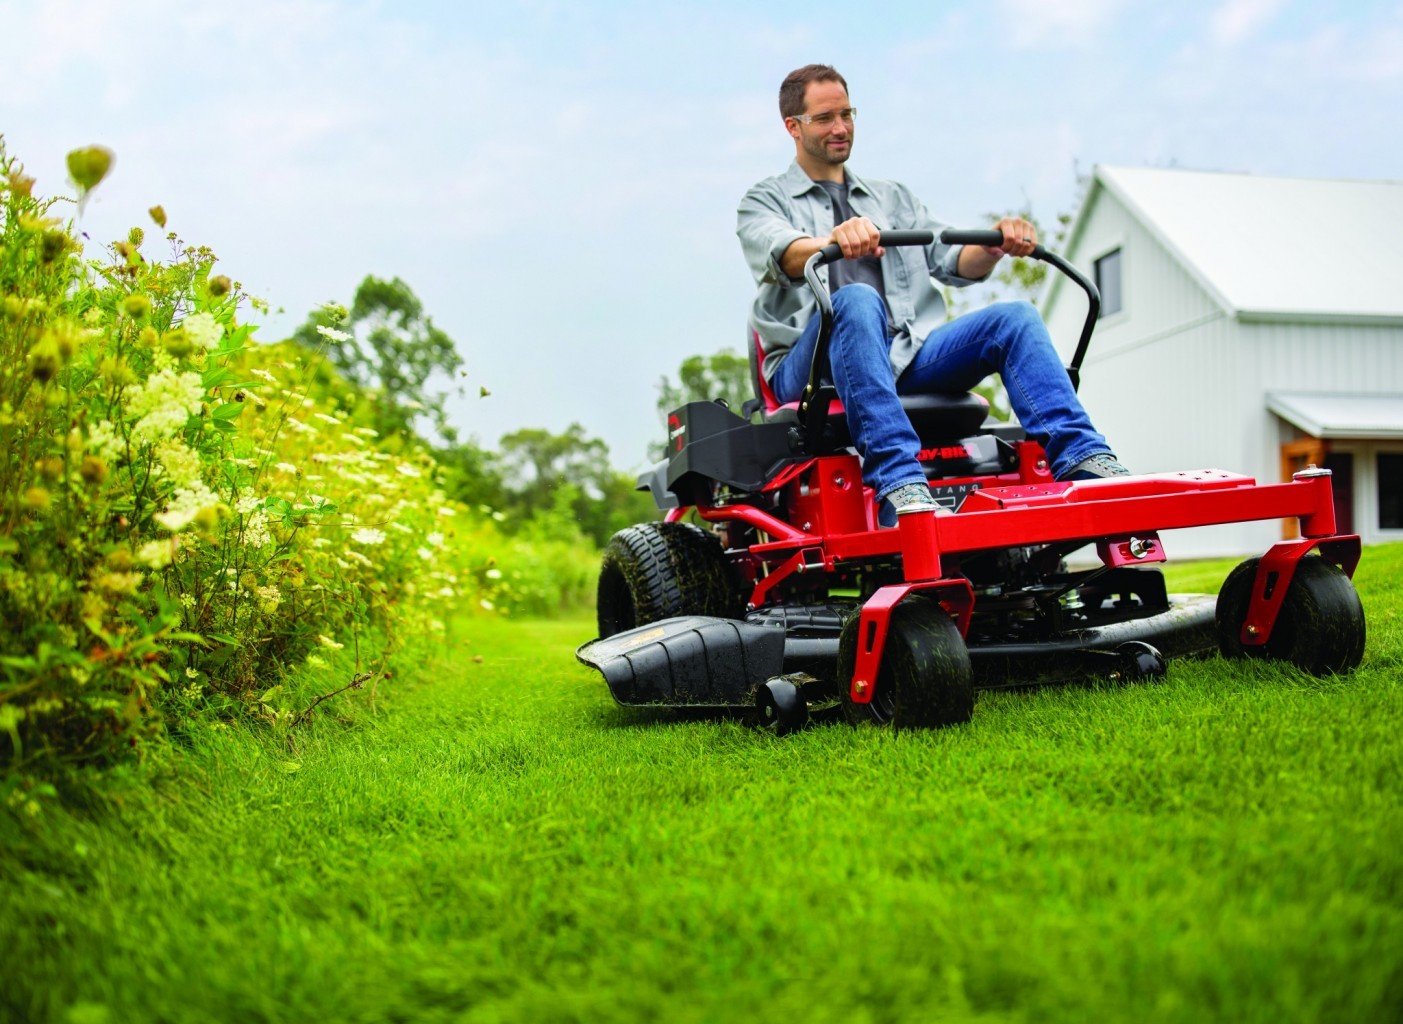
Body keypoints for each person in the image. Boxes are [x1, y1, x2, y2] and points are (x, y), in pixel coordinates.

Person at [737, 64, 1128, 523]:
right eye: (824, 118)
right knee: (857, 300)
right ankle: (900, 483)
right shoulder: (764, 200)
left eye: (847, 114)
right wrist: (832, 241)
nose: (840, 128)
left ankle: (1084, 459)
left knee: (1015, 318)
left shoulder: (892, 198)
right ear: (793, 126)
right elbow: (783, 253)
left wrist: (994, 245)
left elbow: (953, 259)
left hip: (903, 355)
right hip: (811, 370)